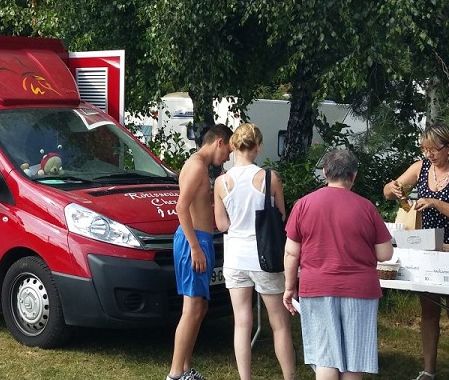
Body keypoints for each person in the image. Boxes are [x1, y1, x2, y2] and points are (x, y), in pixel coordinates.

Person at [284, 149, 393, 380]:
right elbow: (385, 254)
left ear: (325, 172)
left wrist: (289, 287)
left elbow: (291, 252)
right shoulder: (366, 207)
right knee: (355, 359)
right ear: (353, 176)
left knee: (325, 356)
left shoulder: (303, 204)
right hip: (360, 289)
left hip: (317, 287)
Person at [383, 123, 449, 380]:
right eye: (425, 149)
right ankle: (429, 370)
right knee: (429, 310)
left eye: (433, 149)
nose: (429, 154)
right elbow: (388, 192)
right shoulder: (420, 168)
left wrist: (435, 203)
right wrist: (394, 188)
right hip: (425, 246)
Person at [213, 123, 296, 380]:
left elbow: (222, 225)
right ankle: (289, 376)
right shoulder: (270, 178)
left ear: (233, 145)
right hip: (266, 256)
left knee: (241, 323)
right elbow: (282, 215)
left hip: (235, 258)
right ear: (258, 147)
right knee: (279, 323)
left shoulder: (221, 182)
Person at [168, 124, 232, 380]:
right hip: (192, 240)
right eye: (228, 151)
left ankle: (184, 368)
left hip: (200, 239)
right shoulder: (196, 166)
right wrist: (194, 247)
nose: (227, 157)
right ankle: (175, 374)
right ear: (219, 142)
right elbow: (181, 207)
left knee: (200, 307)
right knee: (192, 308)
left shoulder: (201, 167)